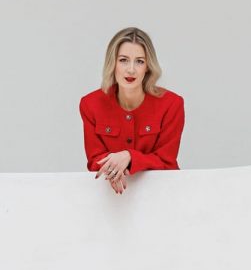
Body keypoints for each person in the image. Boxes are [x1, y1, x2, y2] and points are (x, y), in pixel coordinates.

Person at [79, 27, 185, 193]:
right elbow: (94, 161)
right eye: (123, 60)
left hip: (162, 194)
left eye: (139, 61)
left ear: (148, 67)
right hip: (112, 199)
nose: (131, 69)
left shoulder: (171, 104)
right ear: (112, 63)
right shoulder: (90, 104)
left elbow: (167, 161)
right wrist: (113, 170)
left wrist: (129, 157)